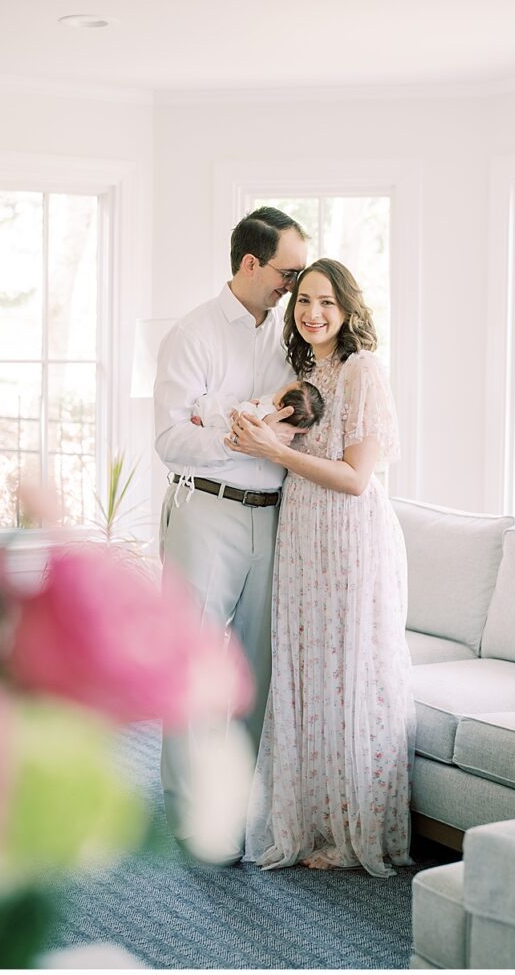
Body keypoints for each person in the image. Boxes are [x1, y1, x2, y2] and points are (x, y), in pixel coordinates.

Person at [230, 258, 416, 878]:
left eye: (327, 303)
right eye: (304, 300)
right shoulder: (306, 371)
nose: (313, 313)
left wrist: (275, 449)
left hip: (349, 538)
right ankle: (311, 819)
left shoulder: (362, 370)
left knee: (349, 674)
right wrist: (256, 428)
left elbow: (357, 479)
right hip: (303, 535)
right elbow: (275, 437)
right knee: (309, 675)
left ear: (348, 310)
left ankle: (353, 830)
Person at [153, 206, 308, 854]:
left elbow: (298, 421)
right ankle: (188, 807)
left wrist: (224, 421)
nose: (295, 287)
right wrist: (245, 434)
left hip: (272, 517)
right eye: (287, 272)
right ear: (250, 263)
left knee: (255, 666)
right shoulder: (191, 335)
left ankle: (240, 808)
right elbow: (169, 440)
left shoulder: (290, 335)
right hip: (204, 512)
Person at [193, 379, 325, 432]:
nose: (280, 388)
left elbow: (249, 419)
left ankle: (203, 420)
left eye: (284, 388)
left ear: (281, 405)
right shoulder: (274, 404)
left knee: (218, 411)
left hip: (235, 419)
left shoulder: (268, 413)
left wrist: (245, 407)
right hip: (240, 411)